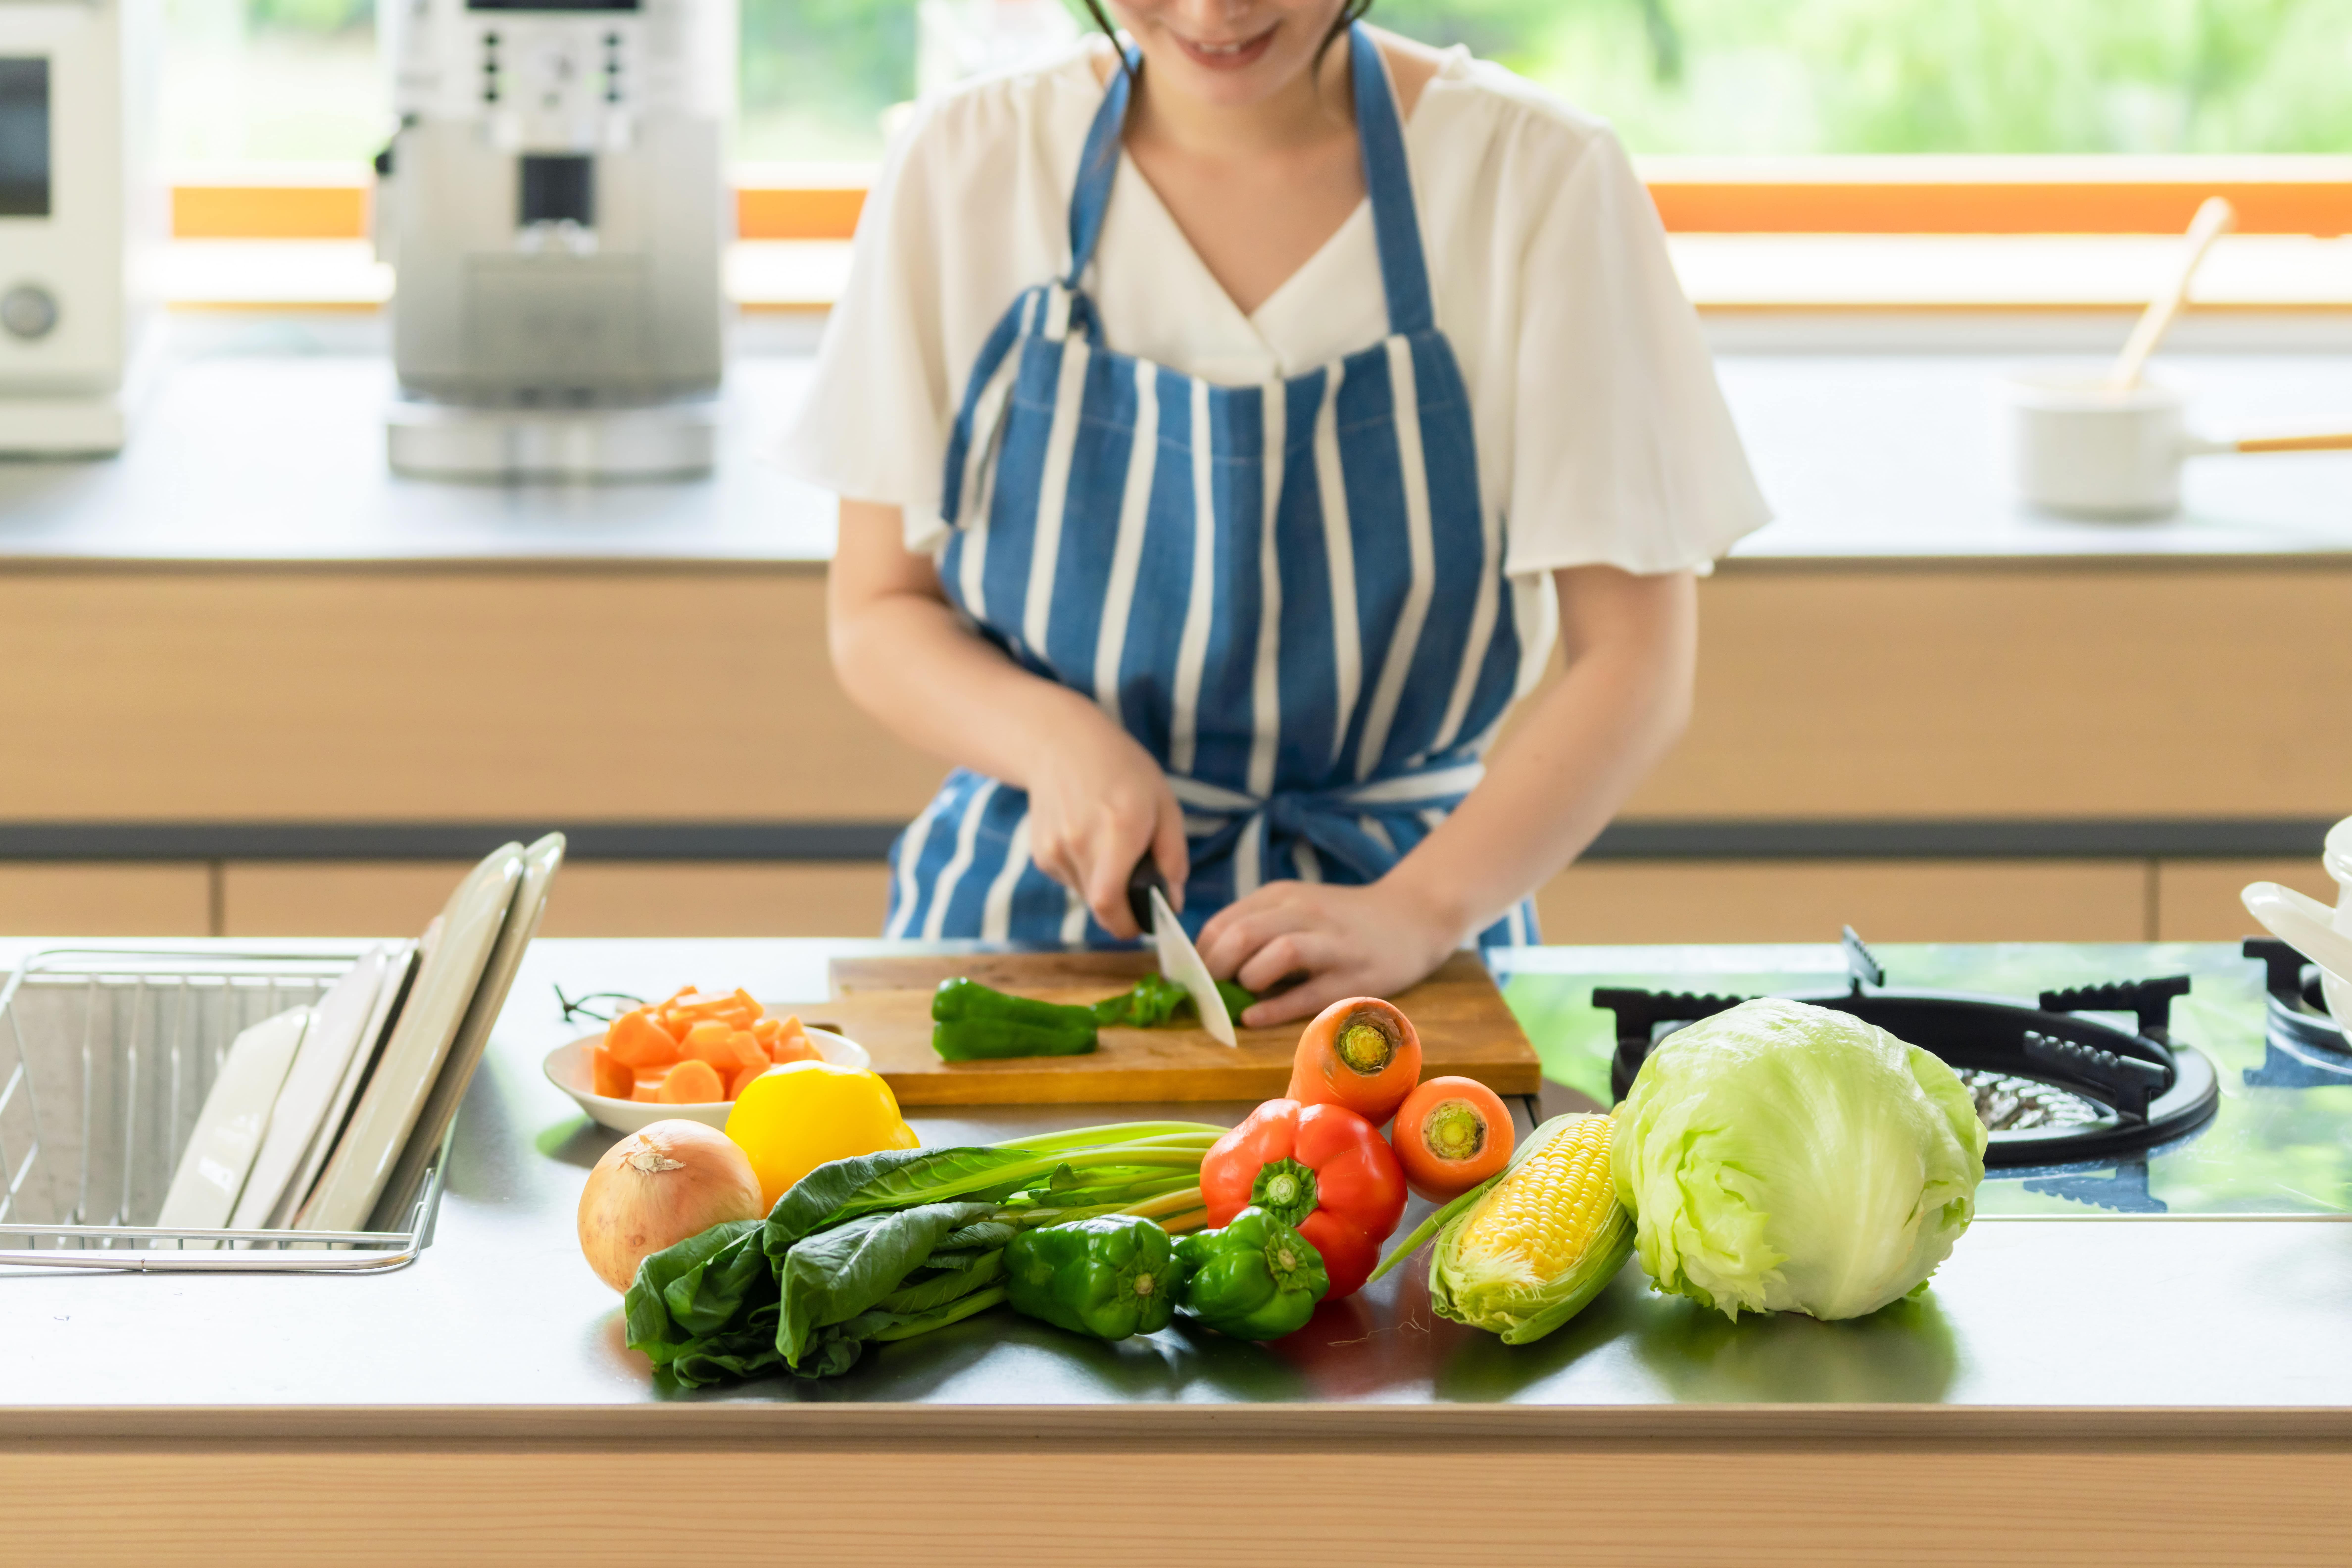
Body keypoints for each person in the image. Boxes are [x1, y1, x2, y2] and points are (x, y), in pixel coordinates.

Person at [787, 0, 1767, 1028]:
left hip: (1405, 940)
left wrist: (1419, 909)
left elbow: (1636, 666)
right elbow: (878, 610)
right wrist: (1054, 741)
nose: (1215, 11)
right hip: (1026, 927)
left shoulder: (1536, 178)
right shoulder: (967, 161)